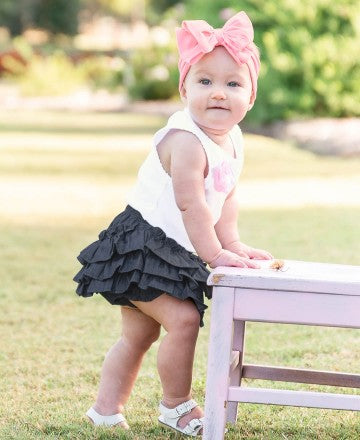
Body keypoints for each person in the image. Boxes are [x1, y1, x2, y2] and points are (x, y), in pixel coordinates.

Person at [73, 10, 273, 436]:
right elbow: (192, 206)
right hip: (142, 247)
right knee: (182, 319)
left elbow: (226, 195)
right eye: (205, 81)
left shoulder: (232, 138)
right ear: (184, 88)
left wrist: (232, 242)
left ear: (251, 96)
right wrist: (215, 254)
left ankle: (104, 410)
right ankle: (176, 406)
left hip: (173, 251)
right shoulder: (185, 141)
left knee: (139, 336)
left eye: (233, 83)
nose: (218, 93)